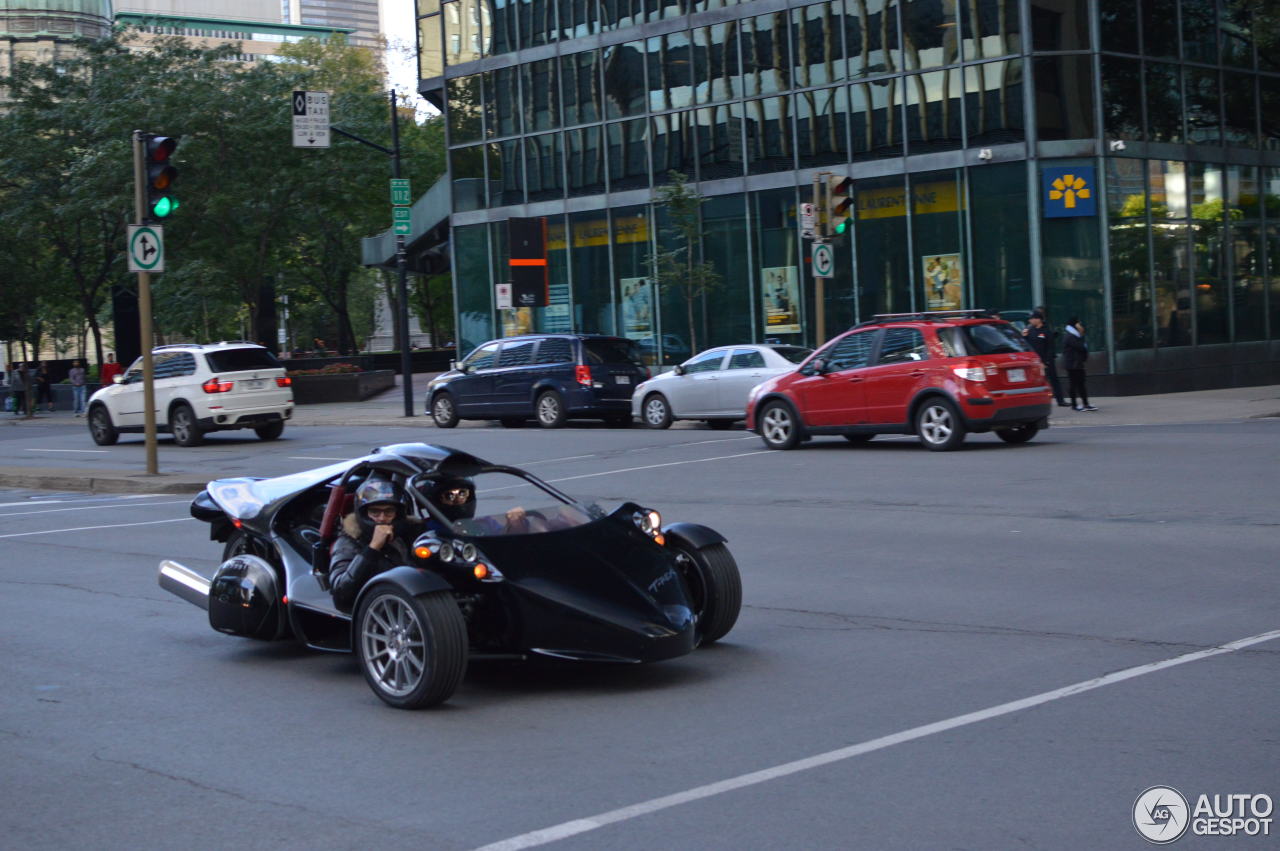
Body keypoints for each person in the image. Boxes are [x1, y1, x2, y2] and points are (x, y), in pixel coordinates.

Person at [328, 476, 414, 610]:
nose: (382, 518)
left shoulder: (406, 533)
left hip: (411, 601)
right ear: (363, 513)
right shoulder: (347, 542)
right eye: (375, 512)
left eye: (389, 511)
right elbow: (341, 591)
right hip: (374, 610)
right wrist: (372, 548)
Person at [1021, 312, 1068, 407]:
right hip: (1035, 362)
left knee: (1054, 380)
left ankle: (1060, 400)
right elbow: (1026, 346)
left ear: (1038, 319)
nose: (1030, 321)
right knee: (1036, 382)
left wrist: (1046, 361)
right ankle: (1036, 402)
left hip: (1047, 361)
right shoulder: (1030, 330)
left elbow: (1050, 348)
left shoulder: (1046, 331)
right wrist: (1024, 337)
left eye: (1032, 318)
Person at [1062, 317, 1097, 412]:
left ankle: (1085, 404)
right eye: (1079, 324)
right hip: (1073, 365)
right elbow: (1081, 347)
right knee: (1074, 385)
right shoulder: (1070, 336)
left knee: (1081, 384)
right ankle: (1075, 405)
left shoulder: (1073, 335)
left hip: (1076, 364)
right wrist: (1082, 332)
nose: (1080, 325)